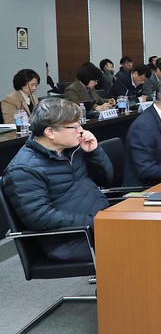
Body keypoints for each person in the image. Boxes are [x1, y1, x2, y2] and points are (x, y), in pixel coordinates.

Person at [1, 98, 112, 261]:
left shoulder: (73, 149)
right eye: (74, 127)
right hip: (71, 239)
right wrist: (95, 222)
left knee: (147, 231)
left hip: (100, 223)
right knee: (140, 242)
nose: (81, 131)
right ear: (50, 132)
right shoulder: (23, 169)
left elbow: (106, 180)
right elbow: (40, 218)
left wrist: (94, 152)